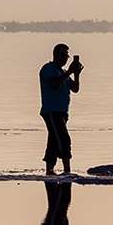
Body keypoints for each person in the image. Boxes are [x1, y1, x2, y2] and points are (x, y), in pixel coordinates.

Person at [38, 43, 83, 175]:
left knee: (53, 139)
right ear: (56, 55)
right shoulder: (48, 68)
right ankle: (67, 170)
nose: (65, 59)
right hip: (52, 111)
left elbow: (75, 88)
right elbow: (54, 84)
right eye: (63, 55)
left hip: (62, 112)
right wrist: (69, 71)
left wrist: (76, 74)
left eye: (66, 56)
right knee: (63, 138)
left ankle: (49, 170)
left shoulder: (62, 72)